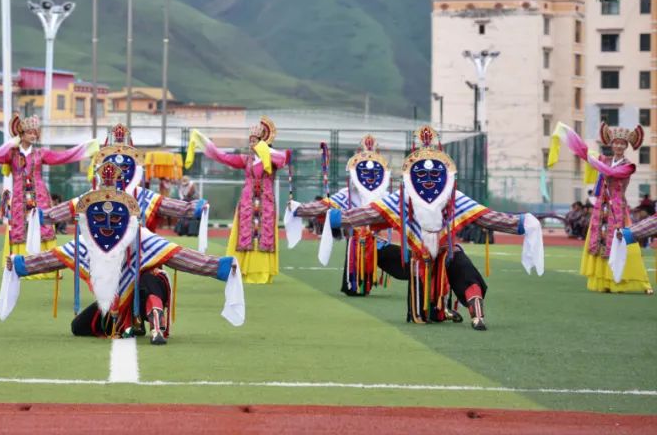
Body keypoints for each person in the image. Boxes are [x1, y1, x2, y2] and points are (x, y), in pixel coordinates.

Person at [290, 126, 545, 330]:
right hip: (411, 257)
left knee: (458, 264)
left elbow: (489, 217)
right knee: (418, 309)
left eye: (435, 175)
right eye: (421, 174)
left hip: (445, 255)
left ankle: (472, 311)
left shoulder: (451, 198)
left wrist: (522, 223)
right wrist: (331, 217)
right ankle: (367, 285)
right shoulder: (397, 198)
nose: (429, 180)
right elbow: (365, 214)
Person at [0, 160, 244, 344]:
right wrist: (219, 267)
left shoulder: (111, 227)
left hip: (144, 287)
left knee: (149, 278)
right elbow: (182, 257)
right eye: (99, 217)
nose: (107, 223)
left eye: (115, 217)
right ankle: (133, 322)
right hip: (116, 299)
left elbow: (52, 257)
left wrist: (22, 264)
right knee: (79, 327)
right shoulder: (94, 235)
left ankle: (153, 319)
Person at [40, 124, 208, 242]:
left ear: (135, 168)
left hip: (140, 256)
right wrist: (38, 217)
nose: (117, 171)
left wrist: (197, 208)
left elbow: (175, 207)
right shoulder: (92, 197)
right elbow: (63, 210)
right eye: (112, 165)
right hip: (102, 255)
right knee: (71, 251)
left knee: (164, 257)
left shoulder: (144, 196)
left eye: (124, 166)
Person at [547, 121, 652, 294]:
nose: (618, 145)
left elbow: (611, 173)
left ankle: (643, 282)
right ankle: (606, 282)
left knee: (625, 244)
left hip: (617, 209)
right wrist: (567, 134)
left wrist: (592, 160)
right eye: (616, 142)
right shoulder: (604, 160)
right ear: (611, 144)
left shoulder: (628, 166)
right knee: (600, 243)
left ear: (626, 146)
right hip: (601, 209)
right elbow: (584, 152)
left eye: (622, 143)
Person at [185, 117, 290, 284]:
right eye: (250, 141)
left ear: (262, 141)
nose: (251, 144)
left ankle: (261, 272)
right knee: (246, 234)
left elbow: (284, 158)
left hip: (266, 202)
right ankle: (242, 269)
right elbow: (222, 156)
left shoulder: (272, 158)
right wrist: (202, 141)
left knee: (264, 235)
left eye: (255, 140)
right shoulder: (246, 159)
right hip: (248, 202)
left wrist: (262, 148)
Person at [0, 113, 98, 271]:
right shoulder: (11, 154)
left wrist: (88, 148)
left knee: (41, 224)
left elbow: (64, 156)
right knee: (20, 227)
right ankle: (19, 264)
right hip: (19, 197)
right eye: (29, 132)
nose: (33, 135)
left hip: (39, 196)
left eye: (35, 132)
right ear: (21, 134)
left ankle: (43, 267)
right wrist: (12, 143)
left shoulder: (41, 153)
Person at [305, 134, 394, 297]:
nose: (369, 149)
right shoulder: (355, 166)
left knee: (370, 253)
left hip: (372, 226)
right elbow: (354, 183)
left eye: (372, 147)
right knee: (354, 252)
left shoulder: (381, 170)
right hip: (356, 225)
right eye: (366, 147)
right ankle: (353, 285)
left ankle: (364, 285)